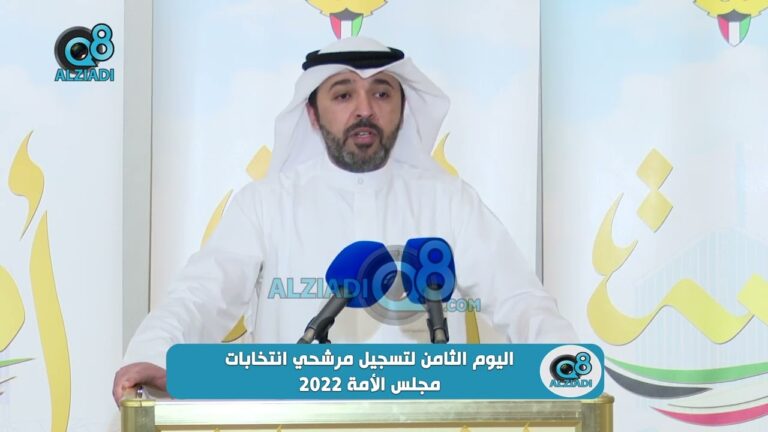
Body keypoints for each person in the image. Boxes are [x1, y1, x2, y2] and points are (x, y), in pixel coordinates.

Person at [113, 37, 577, 403]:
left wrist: (565, 362)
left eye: (381, 93)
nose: (365, 109)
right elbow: (200, 294)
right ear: (313, 113)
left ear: (402, 110)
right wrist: (154, 357)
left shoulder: (449, 201)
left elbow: (519, 298)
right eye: (343, 94)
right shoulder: (265, 204)